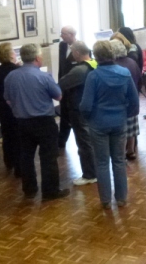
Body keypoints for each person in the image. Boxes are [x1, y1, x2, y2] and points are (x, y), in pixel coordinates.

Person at [4, 43, 70, 200]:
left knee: (26, 156)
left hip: (21, 122)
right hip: (44, 122)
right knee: (48, 156)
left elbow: (7, 100)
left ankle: (29, 189)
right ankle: (50, 191)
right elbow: (58, 96)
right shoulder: (43, 76)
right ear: (37, 58)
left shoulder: (10, 76)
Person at [79, 40, 139, 209]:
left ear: (96, 56)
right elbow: (134, 102)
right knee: (119, 161)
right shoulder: (124, 73)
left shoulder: (93, 76)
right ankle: (121, 198)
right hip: (119, 121)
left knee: (102, 162)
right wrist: (123, 114)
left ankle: (105, 199)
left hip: (98, 123)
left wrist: (88, 119)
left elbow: (85, 105)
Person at [58, 41, 97, 185]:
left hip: (79, 109)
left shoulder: (78, 71)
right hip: (93, 108)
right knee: (91, 140)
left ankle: (90, 174)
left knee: (83, 142)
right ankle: (95, 170)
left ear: (77, 53)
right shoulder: (95, 64)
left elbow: (61, 85)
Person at [0, 42, 21, 177]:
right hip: (13, 107)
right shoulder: (15, 70)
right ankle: (19, 167)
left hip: (0, 106)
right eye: (13, 52)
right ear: (9, 55)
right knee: (17, 136)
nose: (15, 53)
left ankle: (9, 161)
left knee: (7, 135)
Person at [110, 39, 141, 161]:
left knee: (122, 130)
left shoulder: (114, 66)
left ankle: (121, 152)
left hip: (120, 102)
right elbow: (140, 80)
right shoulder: (132, 62)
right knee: (132, 128)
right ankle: (131, 151)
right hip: (133, 99)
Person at [58, 26, 78, 149]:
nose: (61, 35)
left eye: (63, 33)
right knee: (64, 114)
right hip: (63, 86)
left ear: (71, 34)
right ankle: (61, 142)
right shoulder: (62, 46)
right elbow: (61, 66)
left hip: (75, 87)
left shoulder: (80, 47)